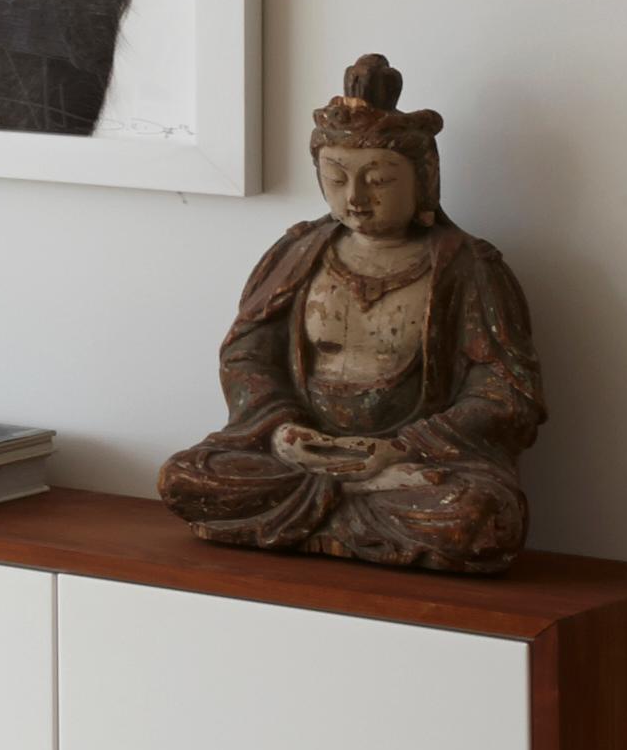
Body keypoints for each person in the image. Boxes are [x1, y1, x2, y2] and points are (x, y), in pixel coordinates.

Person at [158, 55, 543, 575]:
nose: (356, 199)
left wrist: (400, 449)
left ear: (424, 178)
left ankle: (349, 496)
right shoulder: (298, 252)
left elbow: (507, 391)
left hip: (415, 462)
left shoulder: (468, 267)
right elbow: (248, 356)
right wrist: (281, 431)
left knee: (475, 517)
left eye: (379, 180)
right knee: (189, 478)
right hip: (304, 454)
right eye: (336, 179)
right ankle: (351, 495)